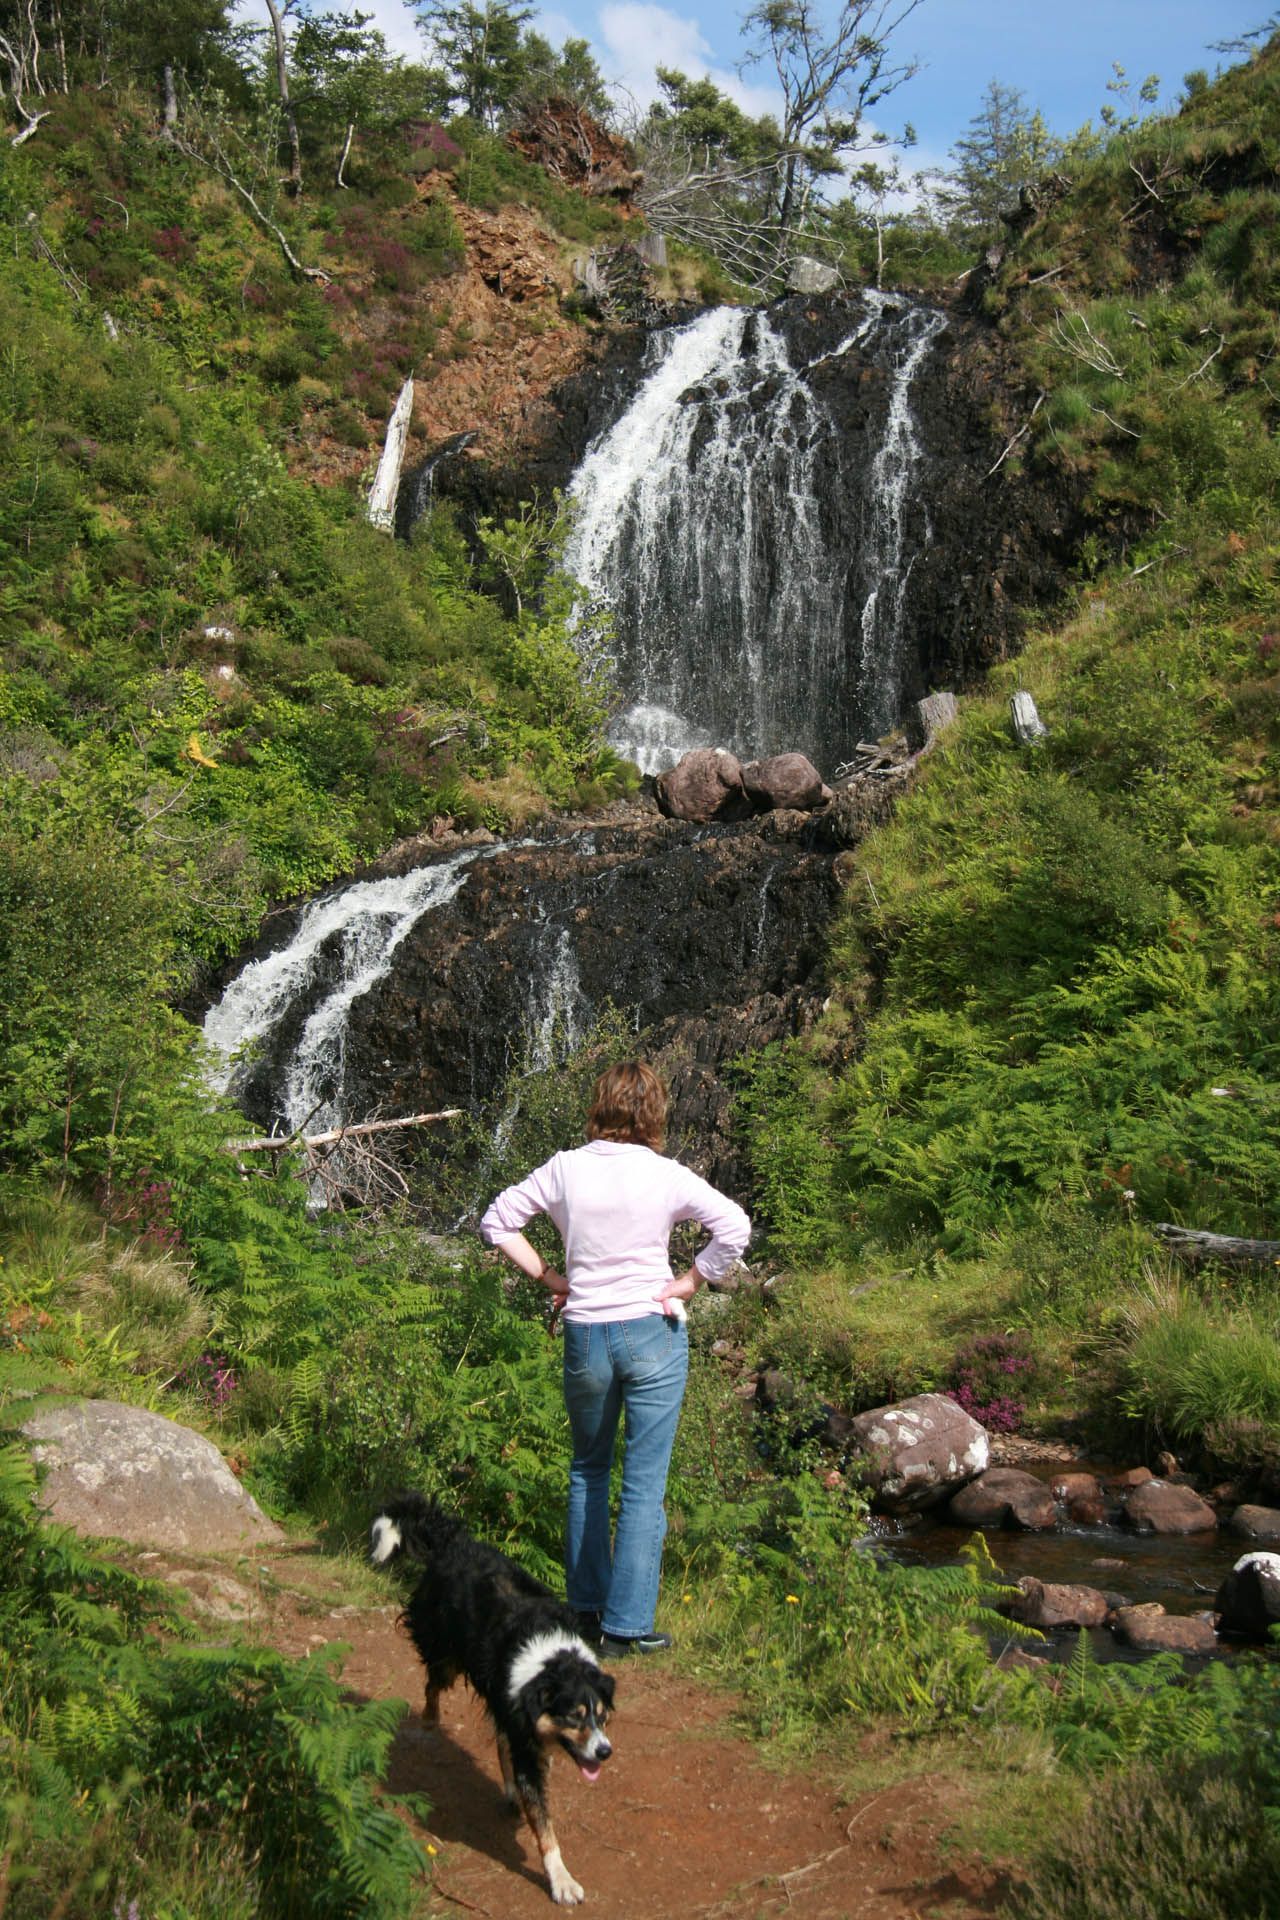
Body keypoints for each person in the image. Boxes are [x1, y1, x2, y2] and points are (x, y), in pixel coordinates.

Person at [479, 1060, 750, 1656]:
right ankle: (627, 1628)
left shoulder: (565, 1169)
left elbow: (497, 1220)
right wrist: (692, 1281)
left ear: (599, 1105)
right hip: (652, 1328)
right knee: (644, 1484)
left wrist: (553, 1278)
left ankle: (584, 1613)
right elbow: (734, 1225)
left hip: (586, 1334)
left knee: (587, 1471)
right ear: (653, 1112)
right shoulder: (665, 1173)